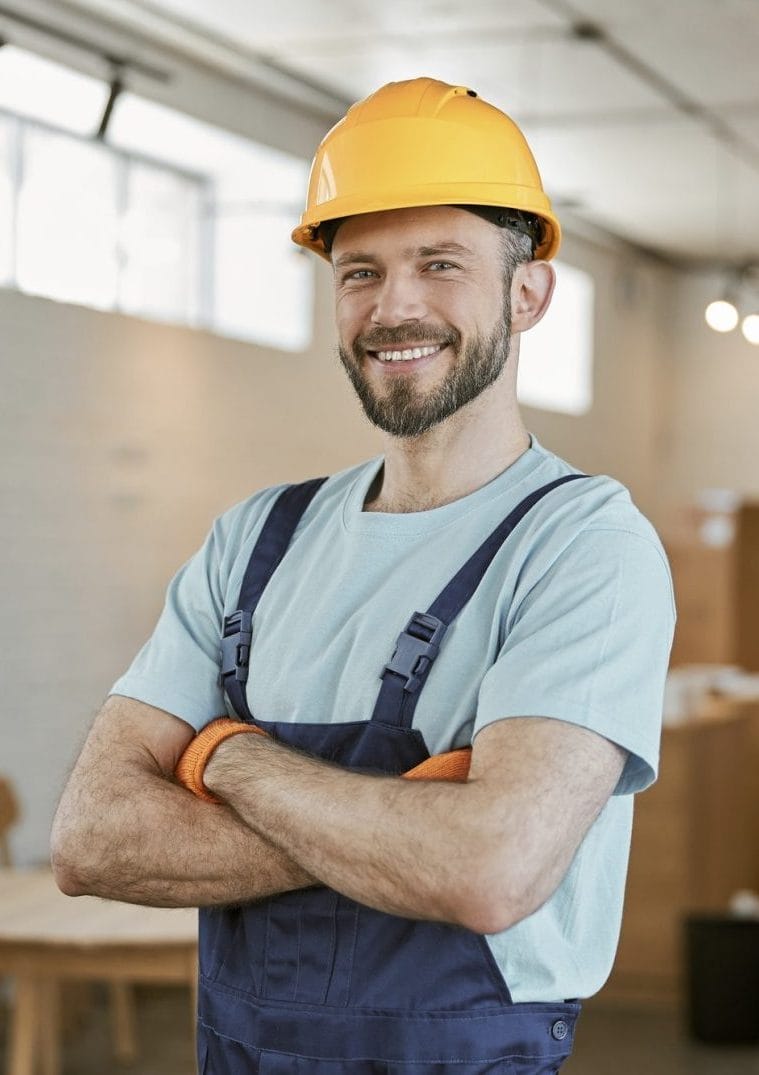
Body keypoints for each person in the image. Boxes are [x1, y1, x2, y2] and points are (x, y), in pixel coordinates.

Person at [51, 77, 675, 1073]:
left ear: (529, 291)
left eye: (440, 263)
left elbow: (491, 868)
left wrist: (225, 761)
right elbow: (93, 837)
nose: (395, 307)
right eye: (359, 272)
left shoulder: (583, 546)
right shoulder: (255, 539)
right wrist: (407, 822)